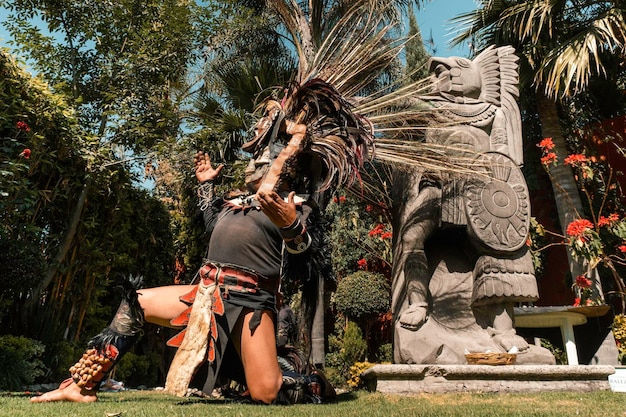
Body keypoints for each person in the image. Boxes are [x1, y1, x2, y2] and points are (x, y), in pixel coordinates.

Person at [31, 117, 334, 405]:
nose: (253, 165)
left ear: (284, 167)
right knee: (136, 302)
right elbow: (213, 224)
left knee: (266, 393)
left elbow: (305, 257)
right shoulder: (234, 204)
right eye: (253, 160)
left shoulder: (296, 205)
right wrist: (206, 187)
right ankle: (81, 386)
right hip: (204, 295)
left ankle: (308, 381)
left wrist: (290, 225)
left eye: (261, 160)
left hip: (251, 304)